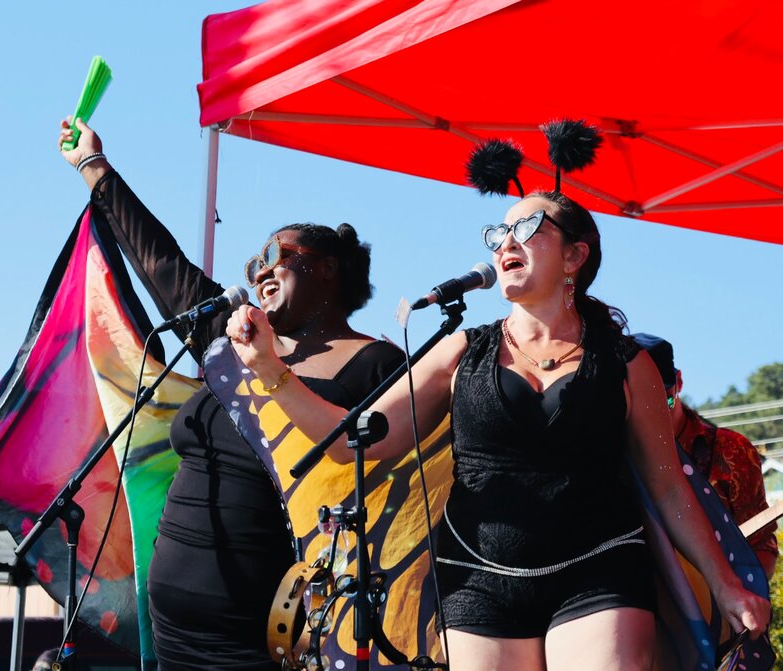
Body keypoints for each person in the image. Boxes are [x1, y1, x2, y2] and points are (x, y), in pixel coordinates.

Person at [226, 189, 771, 670]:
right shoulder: (461, 350)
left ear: (575, 257)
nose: (507, 240)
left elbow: (668, 486)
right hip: (477, 579)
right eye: (500, 231)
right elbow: (353, 441)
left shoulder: (627, 364)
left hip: (600, 570)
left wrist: (725, 583)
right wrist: (271, 370)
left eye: (529, 228)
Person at [58, 118, 405, 670]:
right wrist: (93, 166)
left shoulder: (379, 362)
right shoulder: (230, 340)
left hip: (266, 628)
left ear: (328, 269)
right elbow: (159, 260)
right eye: (254, 264)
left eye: (279, 256)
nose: (262, 270)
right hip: (172, 626)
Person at [634, 333, 778, 580]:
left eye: (663, 399)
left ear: (679, 383)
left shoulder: (730, 449)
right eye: (640, 402)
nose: (653, 412)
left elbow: (761, 547)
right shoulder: (609, 455)